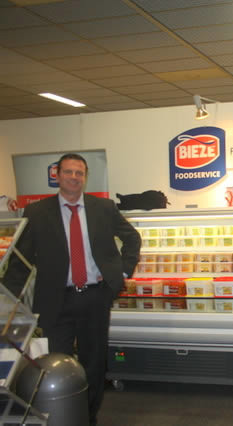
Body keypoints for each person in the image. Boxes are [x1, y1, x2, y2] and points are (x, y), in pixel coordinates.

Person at [5, 153, 141, 426]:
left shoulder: (103, 208)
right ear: (57, 175)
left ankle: (87, 417)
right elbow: (22, 258)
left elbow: (132, 239)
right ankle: (61, 417)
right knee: (55, 363)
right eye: (68, 172)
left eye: (79, 173)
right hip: (55, 300)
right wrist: (6, 299)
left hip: (95, 296)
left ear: (85, 177)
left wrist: (121, 273)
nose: (74, 177)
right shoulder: (37, 212)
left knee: (94, 363)